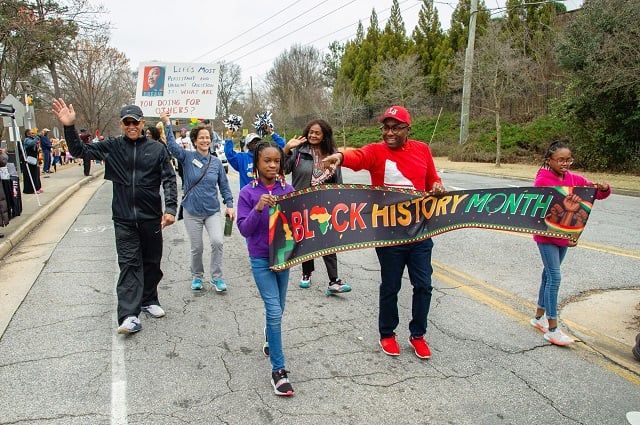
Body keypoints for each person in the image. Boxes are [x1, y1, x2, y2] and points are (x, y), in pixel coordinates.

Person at [322, 105, 445, 360]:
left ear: (407, 129)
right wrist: (341, 157)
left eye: (395, 127)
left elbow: (433, 180)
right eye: (385, 127)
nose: (389, 132)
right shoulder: (376, 151)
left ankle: (418, 335)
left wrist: (437, 186)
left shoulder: (422, 149)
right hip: (389, 234)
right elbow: (359, 156)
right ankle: (387, 334)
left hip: (420, 232)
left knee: (423, 285)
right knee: (391, 285)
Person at [52, 98, 178, 335]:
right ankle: (129, 315)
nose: (131, 126)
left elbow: (169, 179)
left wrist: (171, 209)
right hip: (123, 219)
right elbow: (80, 151)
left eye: (135, 122)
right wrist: (69, 126)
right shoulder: (113, 146)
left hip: (151, 218)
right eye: (127, 122)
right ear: (122, 125)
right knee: (129, 264)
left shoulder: (157, 149)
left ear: (142, 123)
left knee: (151, 262)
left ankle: (149, 299)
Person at [529, 140, 611, 346]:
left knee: (548, 275)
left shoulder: (572, 178)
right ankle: (553, 328)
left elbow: (596, 193)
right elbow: (554, 194)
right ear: (550, 160)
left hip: (564, 237)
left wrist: (603, 188)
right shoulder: (543, 180)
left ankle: (538, 317)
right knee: (555, 277)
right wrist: (570, 193)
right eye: (560, 160)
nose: (565, 164)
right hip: (546, 236)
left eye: (568, 160)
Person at [237, 141, 295, 397]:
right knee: (274, 310)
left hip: (283, 257)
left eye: (276, 161)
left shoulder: (289, 189)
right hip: (260, 258)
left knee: (279, 309)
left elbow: (298, 224)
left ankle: (269, 336)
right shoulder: (247, 194)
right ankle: (278, 371)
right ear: (257, 164)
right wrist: (259, 207)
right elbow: (244, 230)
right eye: (267, 161)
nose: (272, 165)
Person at [162, 114, 234, 292]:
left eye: (207, 138)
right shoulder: (186, 158)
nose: (204, 140)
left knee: (217, 242)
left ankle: (217, 278)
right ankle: (197, 276)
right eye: (201, 137)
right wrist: (167, 125)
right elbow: (171, 146)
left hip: (211, 211)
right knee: (197, 247)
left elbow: (224, 186)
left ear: (211, 140)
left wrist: (230, 205)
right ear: (194, 140)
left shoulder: (216, 163)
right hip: (191, 211)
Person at [283, 119, 351, 294]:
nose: (313, 135)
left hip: (324, 206)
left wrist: (339, 203)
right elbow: (283, 169)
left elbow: (338, 183)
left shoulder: (333, 154)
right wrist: (286, 149)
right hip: (301, 203)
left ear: (324, 136)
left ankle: (334, 281)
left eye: (317, 133)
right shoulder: (299, 151)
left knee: (328, 242)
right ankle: (306, 273)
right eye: (311, 132)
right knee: (305, 240)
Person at [20, 129, 43, 194]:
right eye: (32, 133)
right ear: (28, 134)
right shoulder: (27, 140)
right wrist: (37, 137)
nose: (34, 134)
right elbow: (31, 143)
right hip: (29, 160)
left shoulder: (33, 139)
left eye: (34, 133)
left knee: (36, 174)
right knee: (31, 175)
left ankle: (37, 187)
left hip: (34, 159)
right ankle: (31, 189)